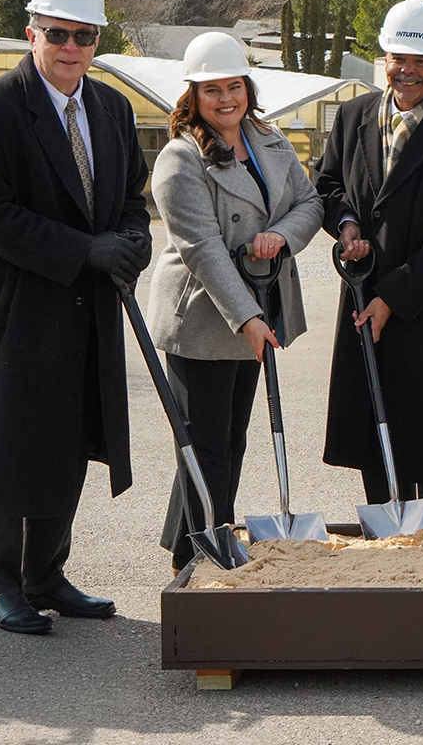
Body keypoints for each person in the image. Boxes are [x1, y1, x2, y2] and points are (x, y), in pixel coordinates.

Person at [0, 0, 151, 634]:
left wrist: (132, 242)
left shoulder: (112, 110)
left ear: (97, 42)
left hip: (83, 305)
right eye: (57, 33)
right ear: (30, 33)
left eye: (84, 36)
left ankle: (45, 574)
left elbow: (131, 197)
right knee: (9, 439)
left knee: (68, 437)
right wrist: (83, 250)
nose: (70, 47)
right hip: (9, 306)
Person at [146, 32, 323, 572]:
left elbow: (310, 203)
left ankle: (190, 545)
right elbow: (201, 247)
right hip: (204, 316)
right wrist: (246, 317)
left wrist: (281, 236)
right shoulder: (182, 159)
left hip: (259, 304)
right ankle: (208, 552)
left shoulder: (270, 140)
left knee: (231, 439)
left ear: (248, 88)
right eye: (212, 90)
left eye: (234, 87)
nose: (226, 99)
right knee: (207, 446)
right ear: (193, 96)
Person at [314, 0, 423, 524]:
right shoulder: (353, 118)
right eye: (398, 59)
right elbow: (326, 184)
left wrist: (393, 297)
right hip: (365, 303)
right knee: (375, 446)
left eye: (420, 61)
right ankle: (385, 555)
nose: (407, 71)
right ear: (384, 58)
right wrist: (346, 224)